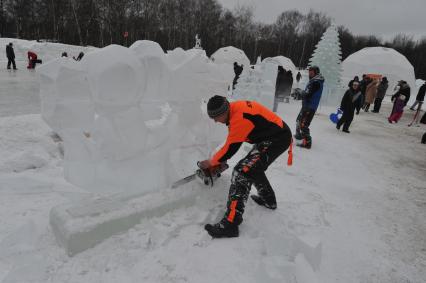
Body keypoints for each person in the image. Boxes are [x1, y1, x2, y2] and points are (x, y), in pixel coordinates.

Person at [200, 95, 293, 238]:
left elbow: (231, 148)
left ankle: (230, 224)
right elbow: (232, 141)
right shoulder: (234, 110)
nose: (215, 121)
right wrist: (218, 160)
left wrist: (212, 162)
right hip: (270, 137)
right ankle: (268, 200)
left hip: (277, 138)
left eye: (216, 117)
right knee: (252, 167)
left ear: (223, 112)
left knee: (242, 171)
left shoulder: (240, 117)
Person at [294, 66, 324, 149]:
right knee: (299, 120)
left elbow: (308, 93)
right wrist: (300, 93)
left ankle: (307, 143)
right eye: (309, 72)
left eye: (311, 73)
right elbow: (306, 93)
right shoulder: (314, 81)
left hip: (310, 107)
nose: (309, 74)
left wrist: (299, 94)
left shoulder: (316, 82)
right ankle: (299, 136)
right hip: (306, 105)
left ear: (316, 73)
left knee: (304, 125)